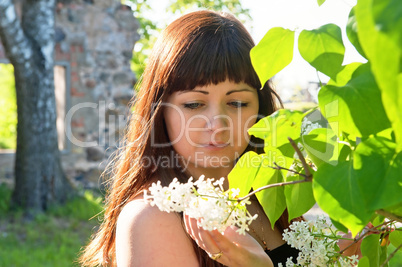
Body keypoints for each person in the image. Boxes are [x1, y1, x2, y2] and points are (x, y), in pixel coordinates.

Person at [79, 10, 345, 267]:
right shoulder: (153, 218)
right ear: (160, 113)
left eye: (238, 103)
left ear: (260, 111)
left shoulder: (269, 191)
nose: (218, 124)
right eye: (194, 104)